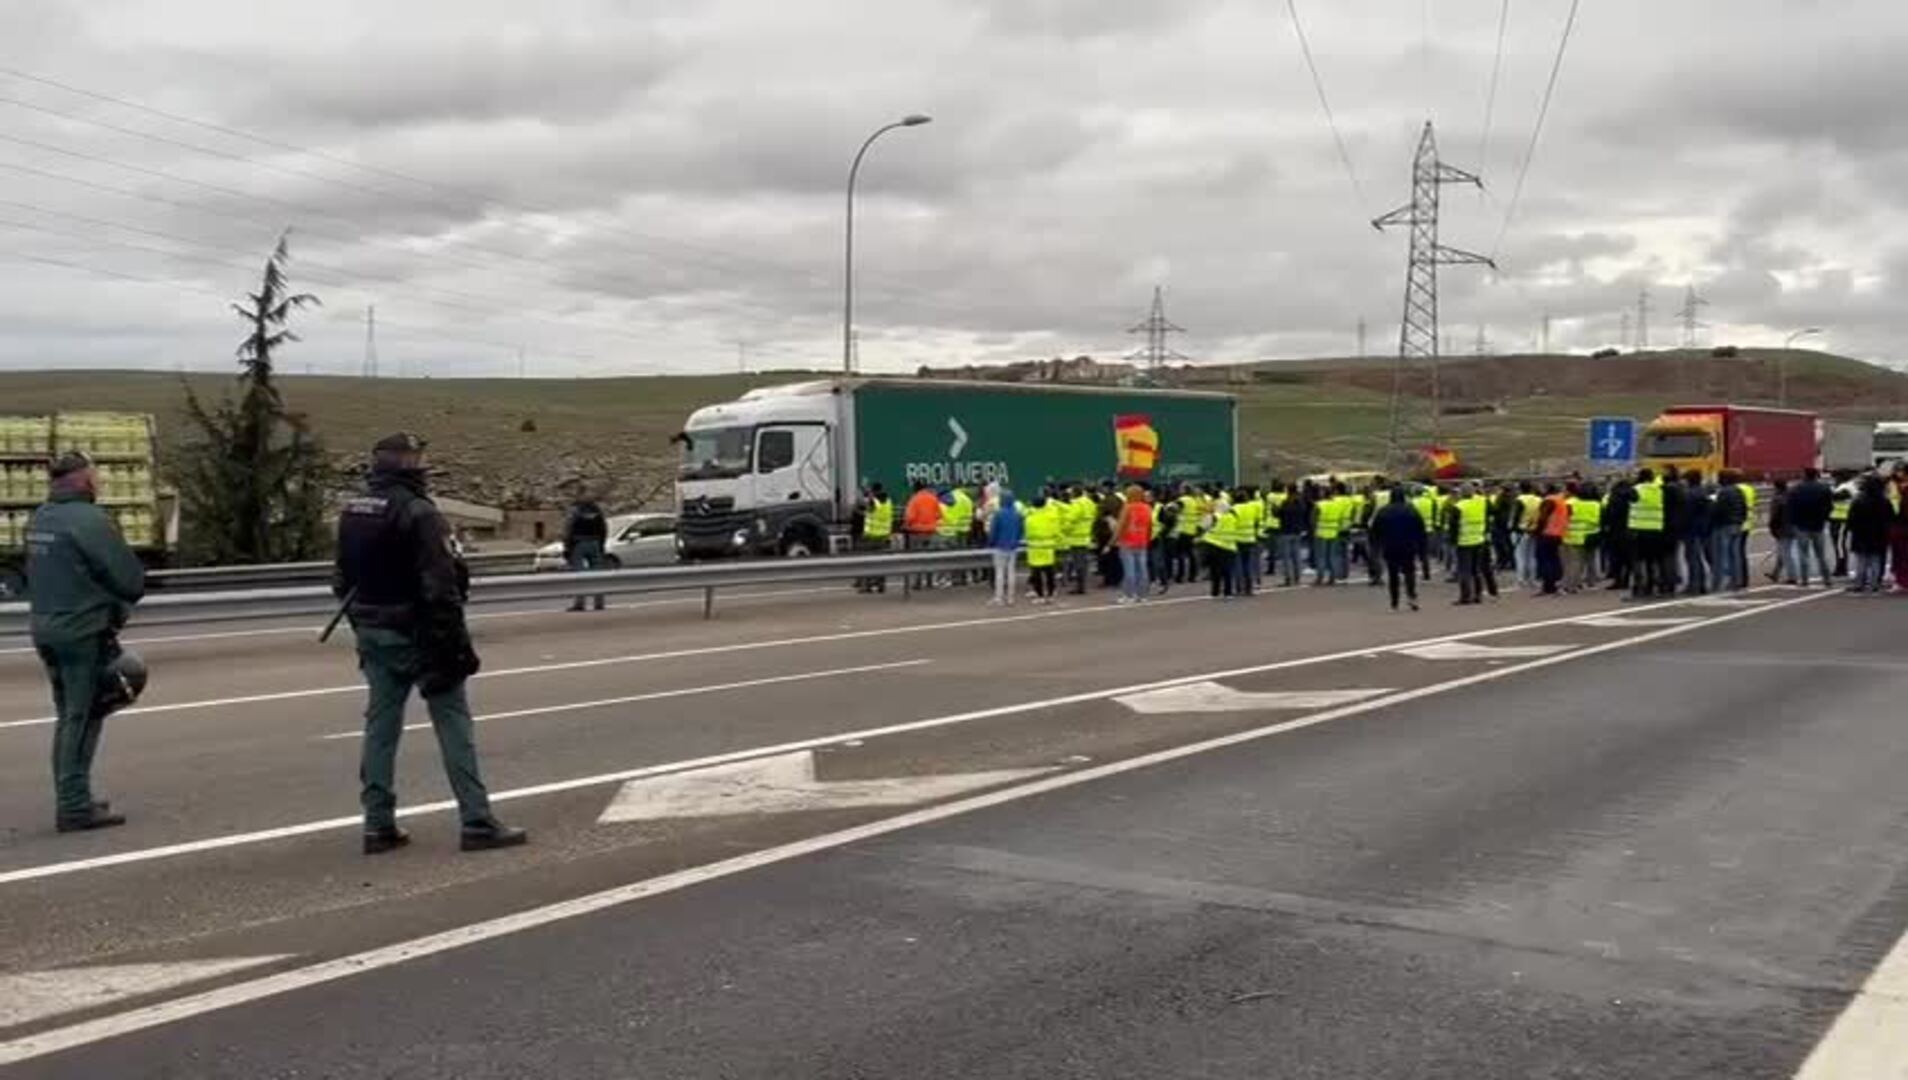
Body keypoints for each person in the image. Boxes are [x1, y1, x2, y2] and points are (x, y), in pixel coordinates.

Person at [333, 433, 526, 855]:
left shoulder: (354, 511)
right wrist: (455, 647)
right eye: (416, 457)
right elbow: (442, 589)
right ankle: (477, 820)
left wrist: (363, 624)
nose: (422, 463)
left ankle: (377, 824)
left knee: (381, 728)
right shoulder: (420, 514)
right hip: (418, 632)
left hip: (373, 632)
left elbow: (341, 581)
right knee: (454, 724)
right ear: (406, 464)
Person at [26, 450, 146, 832]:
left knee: (67, 716)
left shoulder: (40, 517)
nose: (98, 482)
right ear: (82, 480)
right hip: (81, 631)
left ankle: (73, 797)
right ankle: (74, 806)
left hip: (45, 627)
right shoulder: (90, 521)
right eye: (94, 476)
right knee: (83, 717)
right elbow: (130, 580)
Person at [1370, 489, 1426, 612]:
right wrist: (1421, 547)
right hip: (1408, 545)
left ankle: (1394, 602)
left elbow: (1375, 530)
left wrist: (1376, 545)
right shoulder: (1411, 510)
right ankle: (1411, 597)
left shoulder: (1383, 511)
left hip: (1390, 546)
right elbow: (1420, 529)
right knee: (1409, 572)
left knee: (1393, 574)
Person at [1786, 467, 1835, 588]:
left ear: (1804, 475)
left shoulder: (1796, 489)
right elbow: (1829, 506)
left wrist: (1793, 522)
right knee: (1821, 554)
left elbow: (1790, 508)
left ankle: (1804, 580)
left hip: (1801, 525)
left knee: (1803, 554)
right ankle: (1827, 579)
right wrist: (1824, 517)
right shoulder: (1824, 488)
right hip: (1818, 524)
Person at [561, 492, 610, 612]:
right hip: (595, 543)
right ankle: (599, 603)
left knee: (579, 575)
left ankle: (580, 603)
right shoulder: (597, 511)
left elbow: (569, 529)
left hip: (579, 544)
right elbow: (604, 529)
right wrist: (601, 545)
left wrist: (567, 547)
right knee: (597, 574)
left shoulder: (575, 511)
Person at [1452, 482, 1496, 605]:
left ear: (1461, 493)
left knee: (1464, 571)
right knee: (1476, 570)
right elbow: (1492, 512)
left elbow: (1453, 527)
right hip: (1479, 538)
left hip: (1464, 541)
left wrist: (1453, 541)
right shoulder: (1482, 502)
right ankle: (1478, 595)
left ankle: (1465, 596)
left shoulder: (1459, 506)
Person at [1628, 468, 1667, 600]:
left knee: (1638, 561)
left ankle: (1639, 588)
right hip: (1656, 529)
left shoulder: (1636, 489)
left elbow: (1628, 503)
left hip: (1638, 529)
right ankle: (1652, 587)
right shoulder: (1660, 490)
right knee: (1652, 561)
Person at [984, 489, 1023, 606]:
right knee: (1011, 572)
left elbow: (993, 531)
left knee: (1000, 572)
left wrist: (991, 542)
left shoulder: (998, 513)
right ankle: (1011, 598)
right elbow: (1020, 530)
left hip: (1000, 546)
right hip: (1013, 546)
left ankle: (999, 598)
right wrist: (1016, 540)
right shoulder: (1017, 514)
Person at [1115, 485, 1153, 604]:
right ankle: (1143, 595)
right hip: (1142, 540)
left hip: (1127, 541)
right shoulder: (1147, 507)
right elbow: (1150, 525)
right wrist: (1147, 538)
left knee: (1129, 570)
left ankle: (1128, 595)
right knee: (1142, 569)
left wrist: (1113, 540)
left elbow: (1120, 526)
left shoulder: (1127, 508)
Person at [1708, 472, 1745, 592]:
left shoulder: (1724, 492)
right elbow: (1744, 507)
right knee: (1735, 554)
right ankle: (1736, 581)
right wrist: (1740, 520)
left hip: (1724, 525)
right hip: (1737, 524)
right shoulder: (1739, 491)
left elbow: (1719, 510)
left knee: (1721, 555)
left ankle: (1720, 582)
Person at [854, 482, 894, 594]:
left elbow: (867, 509)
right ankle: (881, 585)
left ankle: (867, 587)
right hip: (884, 536)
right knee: (881, 563)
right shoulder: (888, 501)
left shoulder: (874, 501)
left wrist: (859, 509)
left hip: (871, 536)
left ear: (874, 490)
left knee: (867, 563)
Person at [902, 480, 942, 590]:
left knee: (917, 558)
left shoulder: (914, 500)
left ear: (915, 488)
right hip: (931, 532)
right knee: (929, 558)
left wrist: (906, 525)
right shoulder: (933, 498)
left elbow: (910, 517)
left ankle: (918, 583)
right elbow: (939, 515)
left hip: (917, 532)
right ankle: (929, 582)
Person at [1023, 490, 1061, 603]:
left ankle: (1040, 595)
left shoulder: (1030, 518)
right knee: (1049, 572)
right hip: (1048, 548)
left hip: (1035, 550)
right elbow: (1056, 531)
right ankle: (1051, 593)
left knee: (1037, 574)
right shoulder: (1051, 516)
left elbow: (1027, 533)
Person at [1533, 483, 1570, 597]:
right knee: (1554, 559)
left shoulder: (1549, 501)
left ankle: (1548, 586)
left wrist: (1536, 530)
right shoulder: (1561, 501)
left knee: (1545, 560)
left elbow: (1543, 517)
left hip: (1547, 533)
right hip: (1558, 533)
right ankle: (1556, 584)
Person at [1679, 472, 1712, 596]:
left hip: (1691, 530)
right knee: (1697, 558)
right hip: (1701, 529)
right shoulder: (1702, 492)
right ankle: (1701, 584)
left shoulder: (1690, 494)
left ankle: (1695, 585)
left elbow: (1685, 514)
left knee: (1692, 558)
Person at [1201, 497, 1239, 599]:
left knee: (1215, 571)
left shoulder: (1214, 516)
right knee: (1227, 572)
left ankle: (1215, 592)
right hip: (1229, 547)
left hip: (1214, 545)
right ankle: (1228, 592)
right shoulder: (1233, 517)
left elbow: (1203, 526)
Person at [1766, 479, 1794, 584]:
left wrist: (1772, 528)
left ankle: (1792, 576)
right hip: (1792, 527)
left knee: (1785, 552)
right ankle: (1775, 573)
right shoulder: (1791, 496)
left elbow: (1774, 515)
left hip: (1781, 528)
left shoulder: (1777, 499)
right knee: (1781, 552)